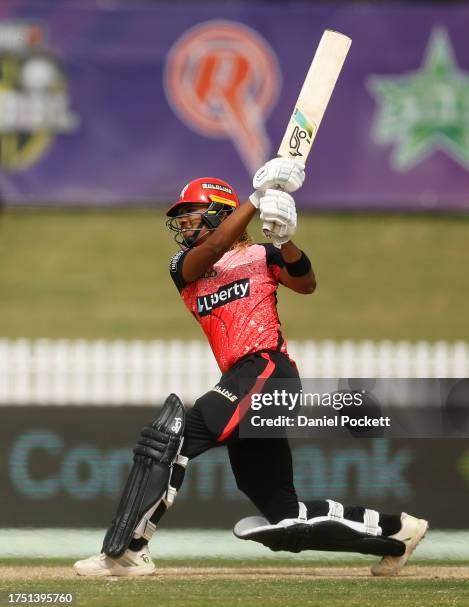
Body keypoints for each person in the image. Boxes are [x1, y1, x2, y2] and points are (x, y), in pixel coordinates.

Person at [74, 158, 428, 577]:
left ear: (220, 214)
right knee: (284, 518)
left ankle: (129, 549)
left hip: (265, 371)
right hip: (242, 382)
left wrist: (288, 240)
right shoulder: (184, 268)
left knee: (172, 437)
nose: (185, 228)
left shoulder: (264, 255)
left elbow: (306, 282)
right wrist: (257, 199)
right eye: (182, 222)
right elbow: (213, 249)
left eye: (192, 218)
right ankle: (398, 532)